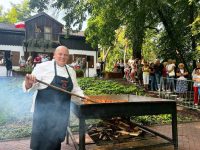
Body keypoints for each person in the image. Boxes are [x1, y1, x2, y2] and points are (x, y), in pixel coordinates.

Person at [22, 46, 85, 150]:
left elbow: (75, 90)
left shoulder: (71, 71)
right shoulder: (42, 67)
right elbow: (29, 86)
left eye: (65, 55)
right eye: (60, 54)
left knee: (56, 143)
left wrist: (83, 97)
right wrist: (28, 83)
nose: (63, 57)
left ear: (68, 57)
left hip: (61, 115)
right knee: (42, 144)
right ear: (54, 55)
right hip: (43, 114)